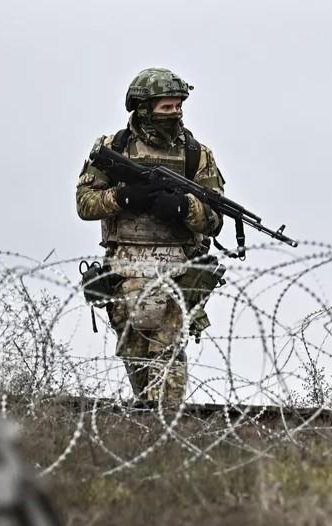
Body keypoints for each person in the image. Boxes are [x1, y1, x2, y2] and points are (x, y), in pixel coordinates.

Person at [75, 67, 226, 407]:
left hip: (178, 270)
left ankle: (166, 427)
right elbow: (84, 204)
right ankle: (149, 431)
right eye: (166, 108)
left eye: (178, 107)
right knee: (137, 362)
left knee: (168, 359)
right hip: (124, 269)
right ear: (143, 108)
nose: (175, 114)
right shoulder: (114, 149)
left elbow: (215, 221)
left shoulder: (195, 155)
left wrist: (183, 207)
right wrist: (125, 198)